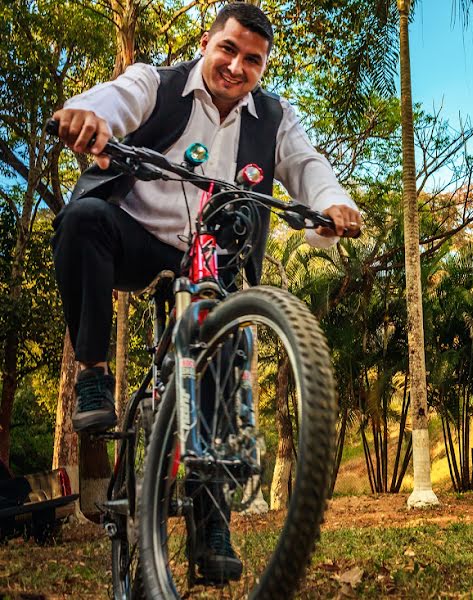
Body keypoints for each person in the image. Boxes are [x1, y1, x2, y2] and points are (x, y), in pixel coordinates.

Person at [50, 2, 360, 581]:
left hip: (212, 257)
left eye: (253, 60)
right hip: (138, 237)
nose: (237, 67)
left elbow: (306, 163)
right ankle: (93, 374)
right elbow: (115, 99)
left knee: (225, 342)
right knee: (83, 219)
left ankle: (211, 512)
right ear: (206, 42)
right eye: (228, 49)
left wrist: (332, 205)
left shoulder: (274, 117)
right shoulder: (158, 82)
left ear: (263, 67)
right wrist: (87, 117)